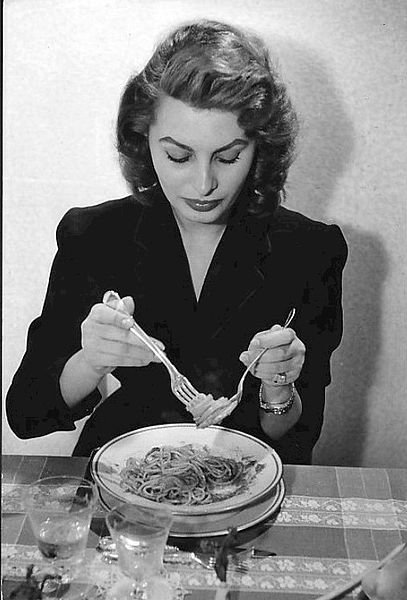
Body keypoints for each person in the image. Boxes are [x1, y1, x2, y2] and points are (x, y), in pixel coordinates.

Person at [6, 19, 347, 463]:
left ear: (260, 147)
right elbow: (26, 414)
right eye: (178, 155)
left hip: (245, 474)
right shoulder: (93, 236)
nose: (203, 184)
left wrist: (278, 386)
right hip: (124, 471)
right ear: (142, 139)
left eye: (228, 156)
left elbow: (297, 436)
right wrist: (91, 362)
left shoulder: (310, 250)